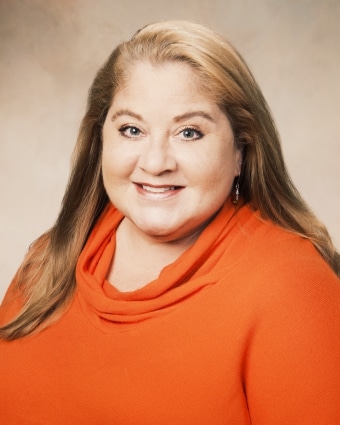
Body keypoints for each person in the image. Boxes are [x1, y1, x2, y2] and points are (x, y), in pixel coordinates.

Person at [0, 20, 339, 425]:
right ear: (101, 140)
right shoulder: (49, 260)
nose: (156, 162)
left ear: (240, 153)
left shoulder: (293, 288)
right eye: (131, 129)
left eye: (189, 132)